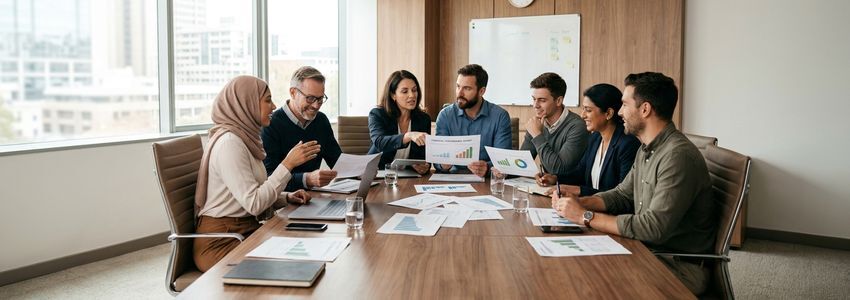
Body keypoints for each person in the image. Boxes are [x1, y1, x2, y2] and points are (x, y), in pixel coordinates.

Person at [551, 72, 716, 295]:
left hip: (675, 265)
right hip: (648, 250)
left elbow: (653, 227)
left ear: (645, 109)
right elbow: (622, 195)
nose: (619, 113)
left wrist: (585, 216)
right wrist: (579, 202)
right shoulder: (647, 148)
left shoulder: (677, 156)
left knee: (586, 280)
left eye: (625, 105)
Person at [193, 76, 320, 272]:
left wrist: (286, 197)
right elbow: (253, 204)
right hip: (221, 242)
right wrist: (288, 164)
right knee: (292, 264)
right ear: (247, 103)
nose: (274, 105)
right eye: (267, 100)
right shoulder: (229, 143)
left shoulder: (245, 138)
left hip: (245, 231)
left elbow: (253, 193)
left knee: (303, 248)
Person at [541, 83, 640, 196]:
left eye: (588, 110)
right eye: (583, 109)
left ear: (608, 113)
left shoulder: (628, 145)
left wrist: (579, 190)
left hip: (610, 212)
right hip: (589, 207)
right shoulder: (595, 138)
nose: (582, 115)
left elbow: (622, 196)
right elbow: (580, 173)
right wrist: (555, 178)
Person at [262, 66, 341, 191]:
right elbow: (269, 177)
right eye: (310, 98)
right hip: (284, 202)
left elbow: (337, 161)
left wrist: (359, 171)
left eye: (320, 99)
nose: (316, 105)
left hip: (314, 198)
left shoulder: (321, 120)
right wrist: (307, 179)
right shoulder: (270, 124)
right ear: (293, 93)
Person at [435, 64, 512, 177]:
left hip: (487, 181)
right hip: (454, 178)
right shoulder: (445, 115)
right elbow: (437, 159)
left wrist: (487, 167)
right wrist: (442, 164)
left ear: (481, 91)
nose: (459, 93)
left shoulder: (500, 116)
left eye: (467, 88)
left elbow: (503, 160)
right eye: (458, 86)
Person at [520, 72, 588, 180]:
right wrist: (503, 171)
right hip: (548, 188)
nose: (535, 105)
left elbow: (557, 170)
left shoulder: (577, 127)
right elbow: (521, 163)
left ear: (558, 101)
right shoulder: (537, 123)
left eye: (542, 100)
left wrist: (537, 135)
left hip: (570, 191)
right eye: (534, 99)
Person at [368, 70, 432, 174]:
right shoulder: (378, 114)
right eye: (405, 91)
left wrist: (424, 167)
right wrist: (408, 136)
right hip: (378, 173)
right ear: (393, 95)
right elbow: (379, 142)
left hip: (408, 176)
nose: (412, 95)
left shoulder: (423, 119)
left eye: (414, 90)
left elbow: (424, 157)